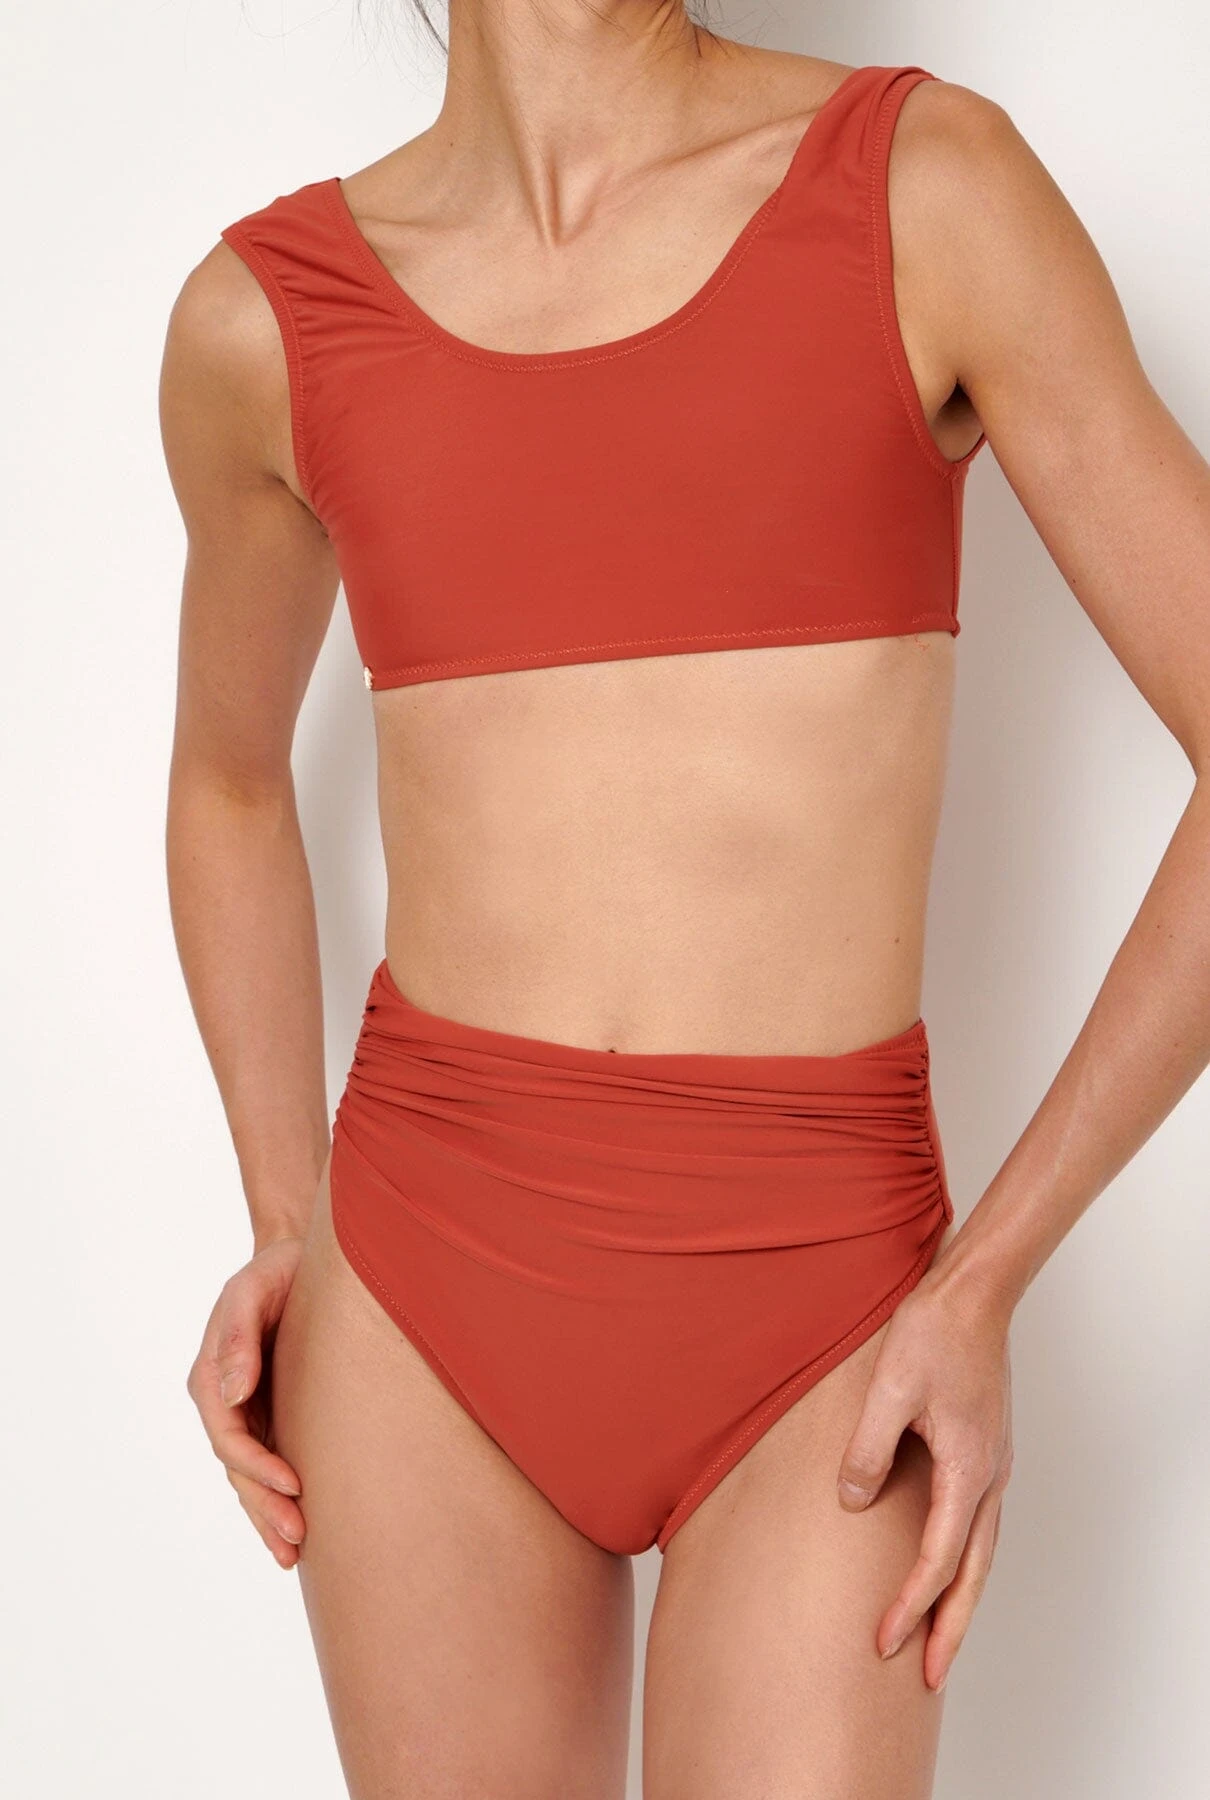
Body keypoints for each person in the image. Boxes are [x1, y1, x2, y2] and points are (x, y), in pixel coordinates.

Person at [158, 4, 1210, 1794]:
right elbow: (230, 783)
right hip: (421, 1283)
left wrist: (982, 1285)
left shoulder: (920, 193)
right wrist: (284, 1216)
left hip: (826, 1306)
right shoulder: (265, 319)